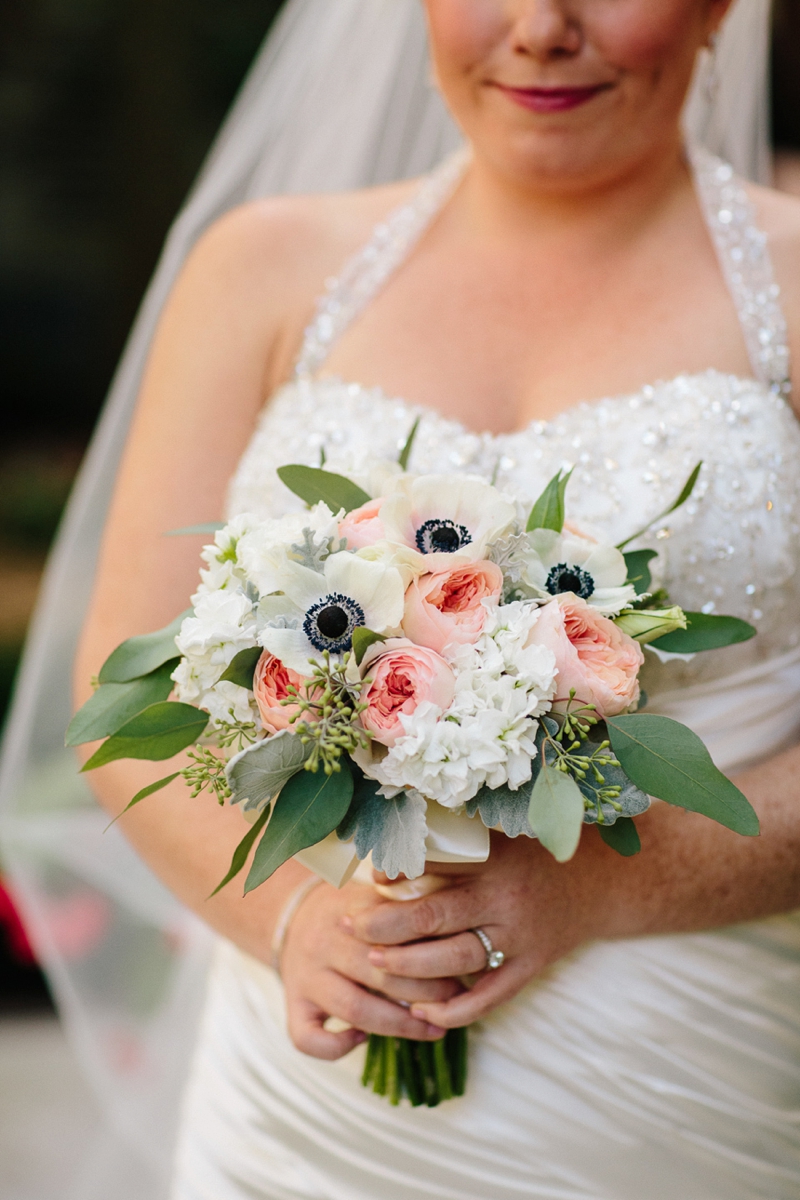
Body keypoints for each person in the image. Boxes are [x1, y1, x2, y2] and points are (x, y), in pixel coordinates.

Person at [14, 0, 800, 1196]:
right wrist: (294, 923)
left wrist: (587, 888)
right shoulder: (260, 266)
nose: (540, 28)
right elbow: (121, 702)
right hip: (301, 1109)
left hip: (680, 1076)